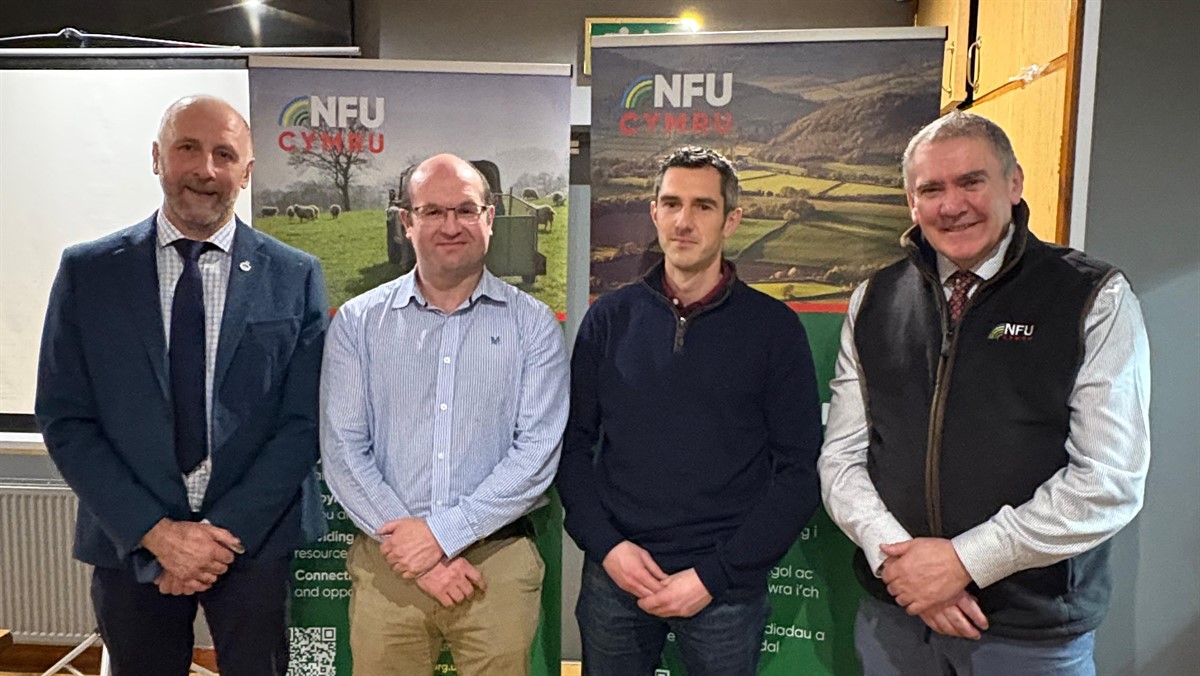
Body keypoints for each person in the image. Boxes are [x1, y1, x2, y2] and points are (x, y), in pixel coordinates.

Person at [819, 111, 1151, 675]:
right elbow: (843, 457)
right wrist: (901, 565)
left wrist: (964, 562)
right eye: (932, 189)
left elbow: (1109, 480)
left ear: (1014, 183)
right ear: (911, 202)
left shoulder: (1091, 296)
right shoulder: (874, 300)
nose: (952, 205)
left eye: (971, 181)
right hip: (895, 619)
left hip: (1028, 633)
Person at [35, 95, 328, 675]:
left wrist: (220, 536)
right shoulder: (90, 272)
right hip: (132, 542)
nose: (206, 169)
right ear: (157, 158)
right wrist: (157, 533)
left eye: (225, 154)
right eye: (188, 149)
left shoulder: (294, 275)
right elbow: (66, 418)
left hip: (255, 543)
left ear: (246, 171)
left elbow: (304, 421)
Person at [558, 146, 823, 676]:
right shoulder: (609, 319)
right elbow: (571, 447)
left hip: (723, 588)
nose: (684, 221)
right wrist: (609, 548)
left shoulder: (774, 330)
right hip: (617, 577)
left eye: (703, 206)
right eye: (671, 203)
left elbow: (798, 472)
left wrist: (716, 574)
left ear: (732, 220)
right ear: (653, 211)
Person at [319, 153, 569, 676]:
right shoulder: (359, 324)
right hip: (390, 561)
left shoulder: (534, 325)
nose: (450, 226)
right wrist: (418, 553)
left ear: (490, 218)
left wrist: (439, 538)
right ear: (406, 221)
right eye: (432, 212)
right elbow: (344, 449)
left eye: (465, 210)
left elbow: (536, 454)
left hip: (495, 564)